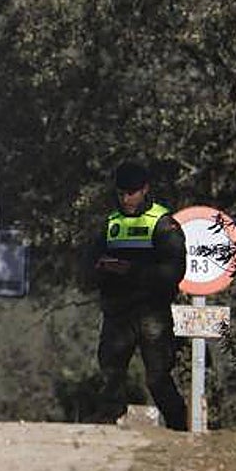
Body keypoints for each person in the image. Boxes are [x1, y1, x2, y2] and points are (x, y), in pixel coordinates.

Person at [89, 161, 188, 431]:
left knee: (157, 376)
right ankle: (106, 426)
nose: (126, 199)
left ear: (145, 189)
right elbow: (89, 264)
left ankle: (179, 427)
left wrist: (132, 271)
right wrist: (101, 270)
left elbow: (174, 271)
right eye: (121, 193)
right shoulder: (110, 223)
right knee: (110, 371)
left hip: (151, 311)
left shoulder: (164, 223)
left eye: (131, 193)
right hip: (117, 310)